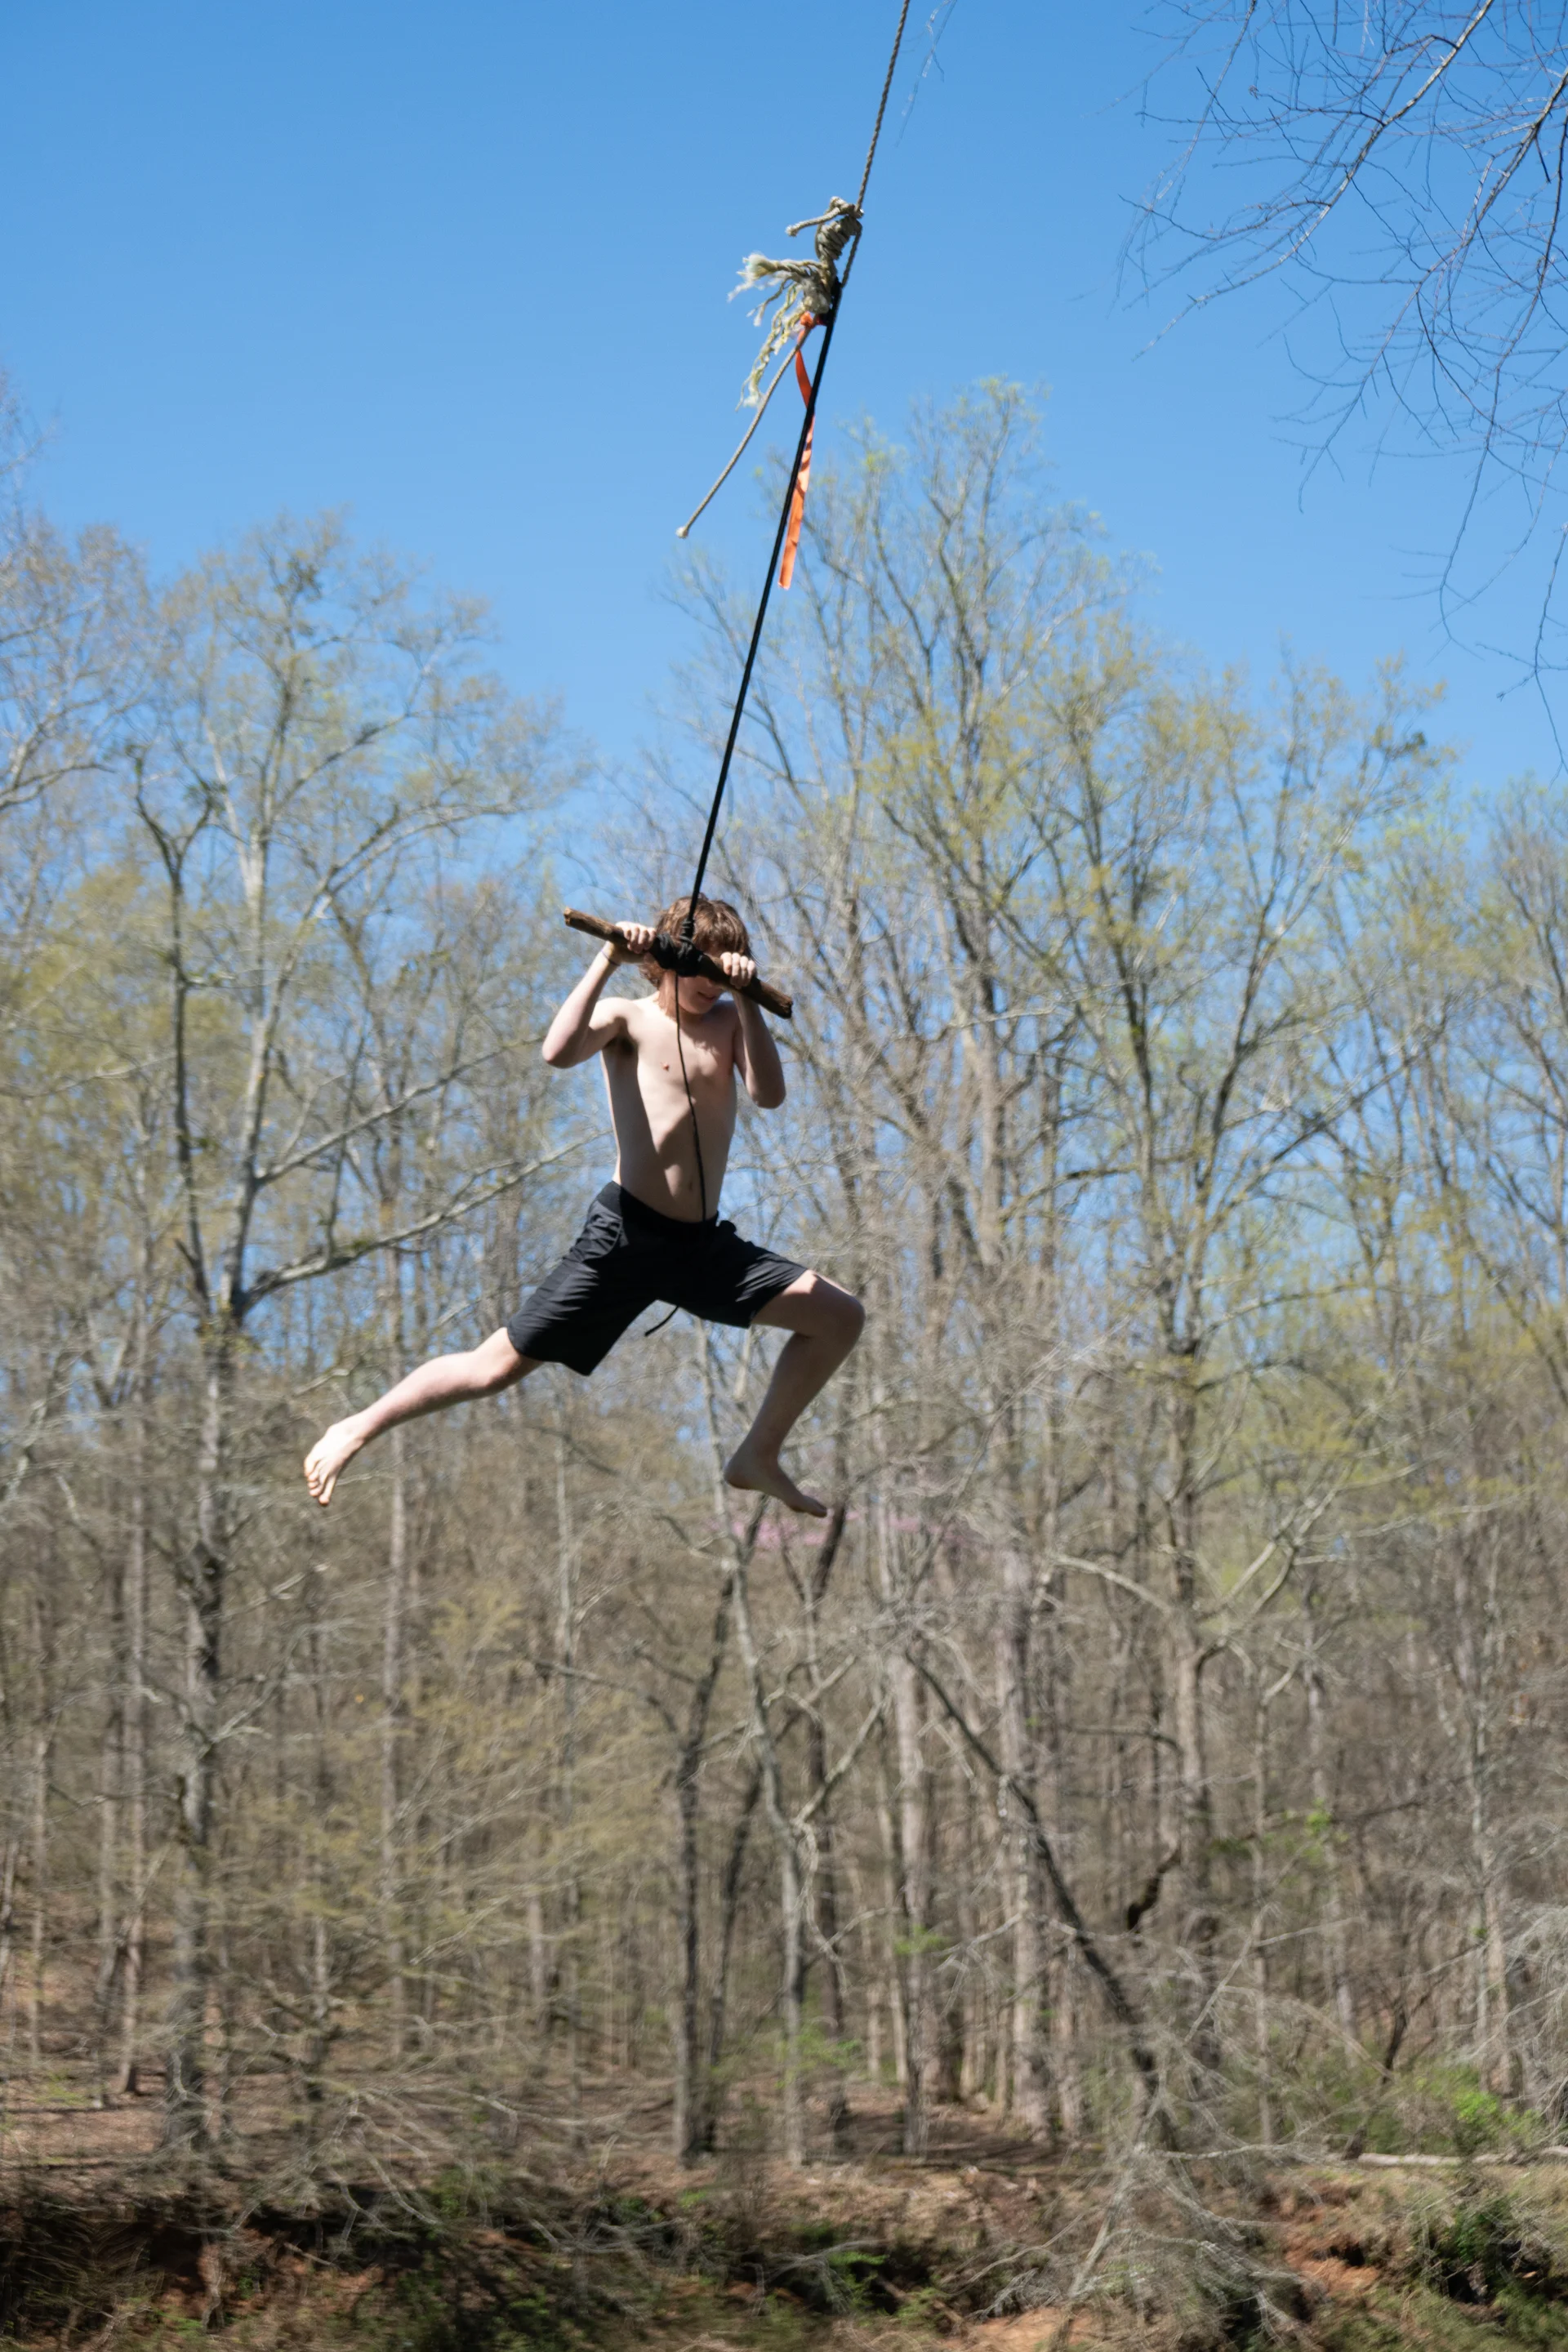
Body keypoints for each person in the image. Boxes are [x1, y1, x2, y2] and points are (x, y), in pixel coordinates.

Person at [303, 895, 863, 1518]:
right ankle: (359, 1425)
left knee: (840, 1316)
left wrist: (749, 998)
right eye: (700, 967)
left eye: (722, 969)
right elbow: (558, 1050)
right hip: (625, 1240)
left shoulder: (731, 1021)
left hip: (702, 1248)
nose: (710, 984)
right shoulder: (627, 1017)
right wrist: (607, 959)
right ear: (666, 962)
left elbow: (769, 1094)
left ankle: (757, 1455)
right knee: (494, 1369)